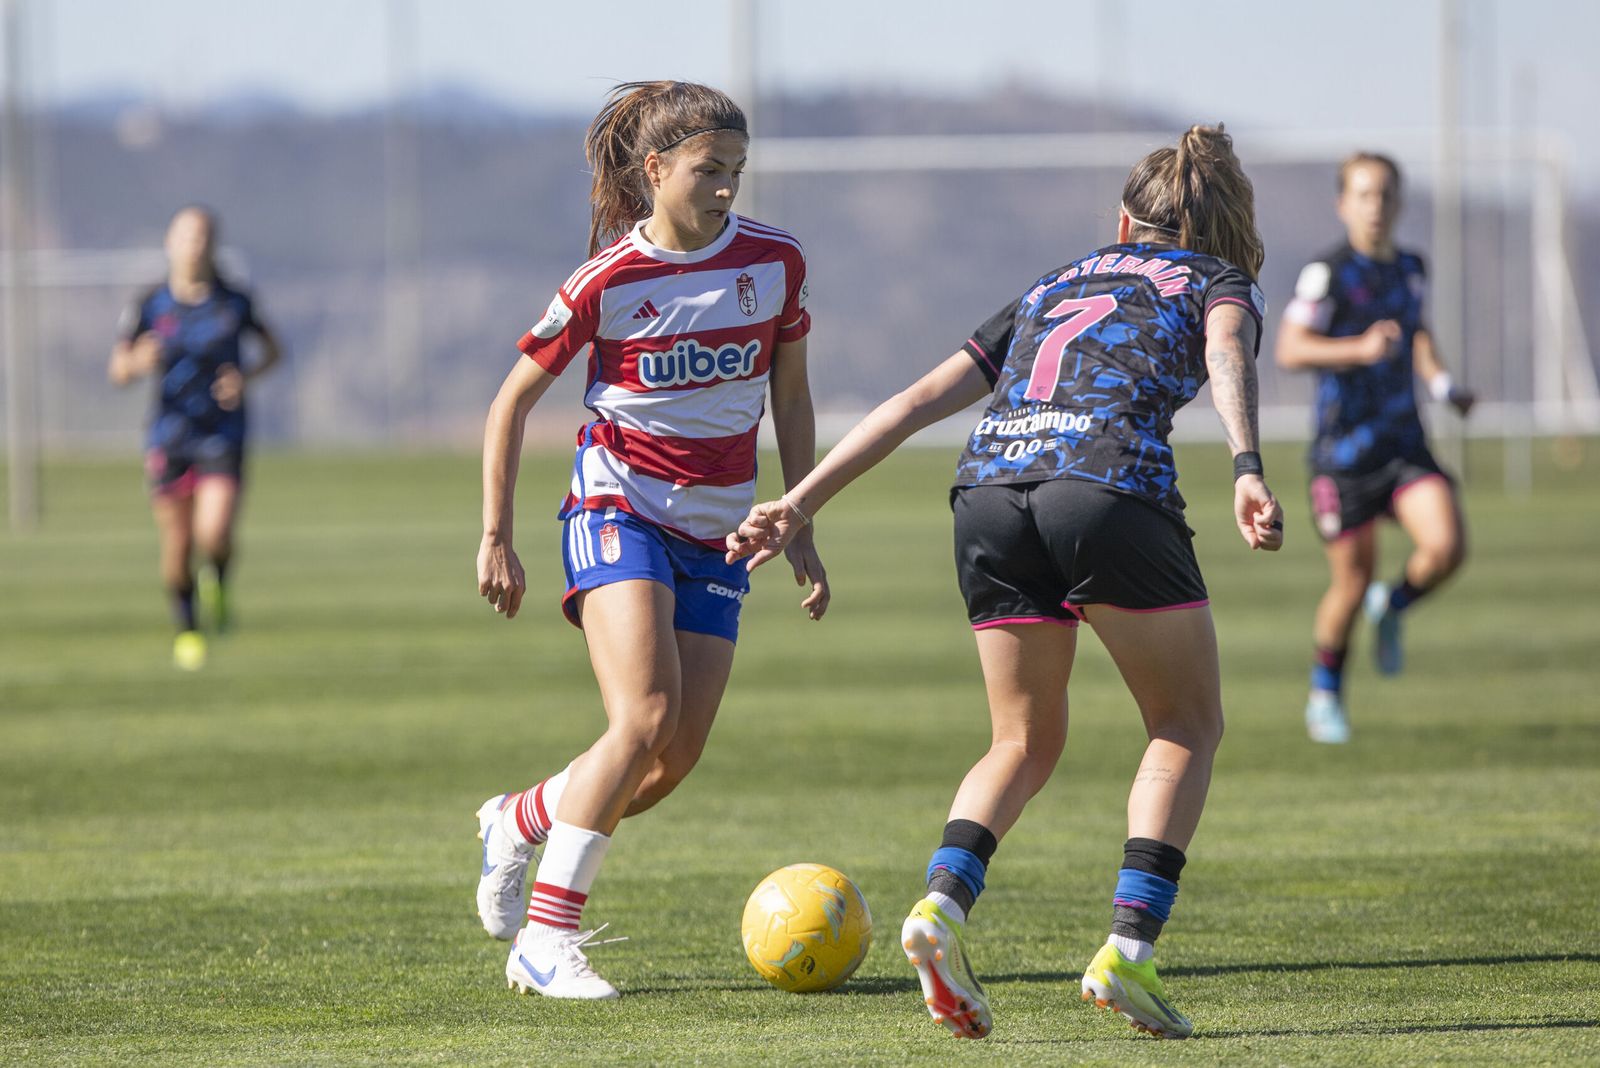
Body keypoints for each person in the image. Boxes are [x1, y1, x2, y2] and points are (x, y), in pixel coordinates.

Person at [729, 125, 1281, 1040]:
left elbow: (914, 403)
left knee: (1020, 740)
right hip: (1105, 488)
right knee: (1185, 725)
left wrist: (799, 499)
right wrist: (1248, 463)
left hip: (988, 493)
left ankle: (941, 908)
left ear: (1121, 221)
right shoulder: (1217, 279)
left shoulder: (1057, 281)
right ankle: (1128, 954)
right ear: (1223, 228)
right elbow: (1229, 351)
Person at [472, 80, 827, 1001]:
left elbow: (789, 394)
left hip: (719, 533)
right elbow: (510, 404)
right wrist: (496, 537)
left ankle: (522, 816)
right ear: (657, 168)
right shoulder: (607, 280)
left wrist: (800, 516)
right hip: (617, 507)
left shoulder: (777, 261)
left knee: (669, 761)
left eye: (737, 171)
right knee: (645, 718)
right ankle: (546, 939)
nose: (725, 188)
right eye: (709, 170)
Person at [1276, 153, 1473, 745]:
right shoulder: (1327, 273)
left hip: (1405, 444)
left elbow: (1416, 331)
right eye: (1364, 195)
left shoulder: (1413, 267)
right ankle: (1325, 695)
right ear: (1343, 204)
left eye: (1385, 195)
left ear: (1399, 202)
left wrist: (1441, 384)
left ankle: (1395, 604)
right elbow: (1290, 348)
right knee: (1350, 584)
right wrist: (1357, 350)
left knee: (1446, 546)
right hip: (1344, 455)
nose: (1376, 206)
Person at [108, 205, 281, 671]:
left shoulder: (234, 301)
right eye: (186, 235)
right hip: (169, 435)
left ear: (213, 244)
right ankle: (188, 629)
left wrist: (246, 376)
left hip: (223, 432)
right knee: (178, 547)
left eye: (202, 235)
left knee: (215, 531)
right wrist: (136, 363)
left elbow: (273, 350)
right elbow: (118, 368)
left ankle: (219, 579)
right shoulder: (150, 305)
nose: (194, 244)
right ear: (170, 243)